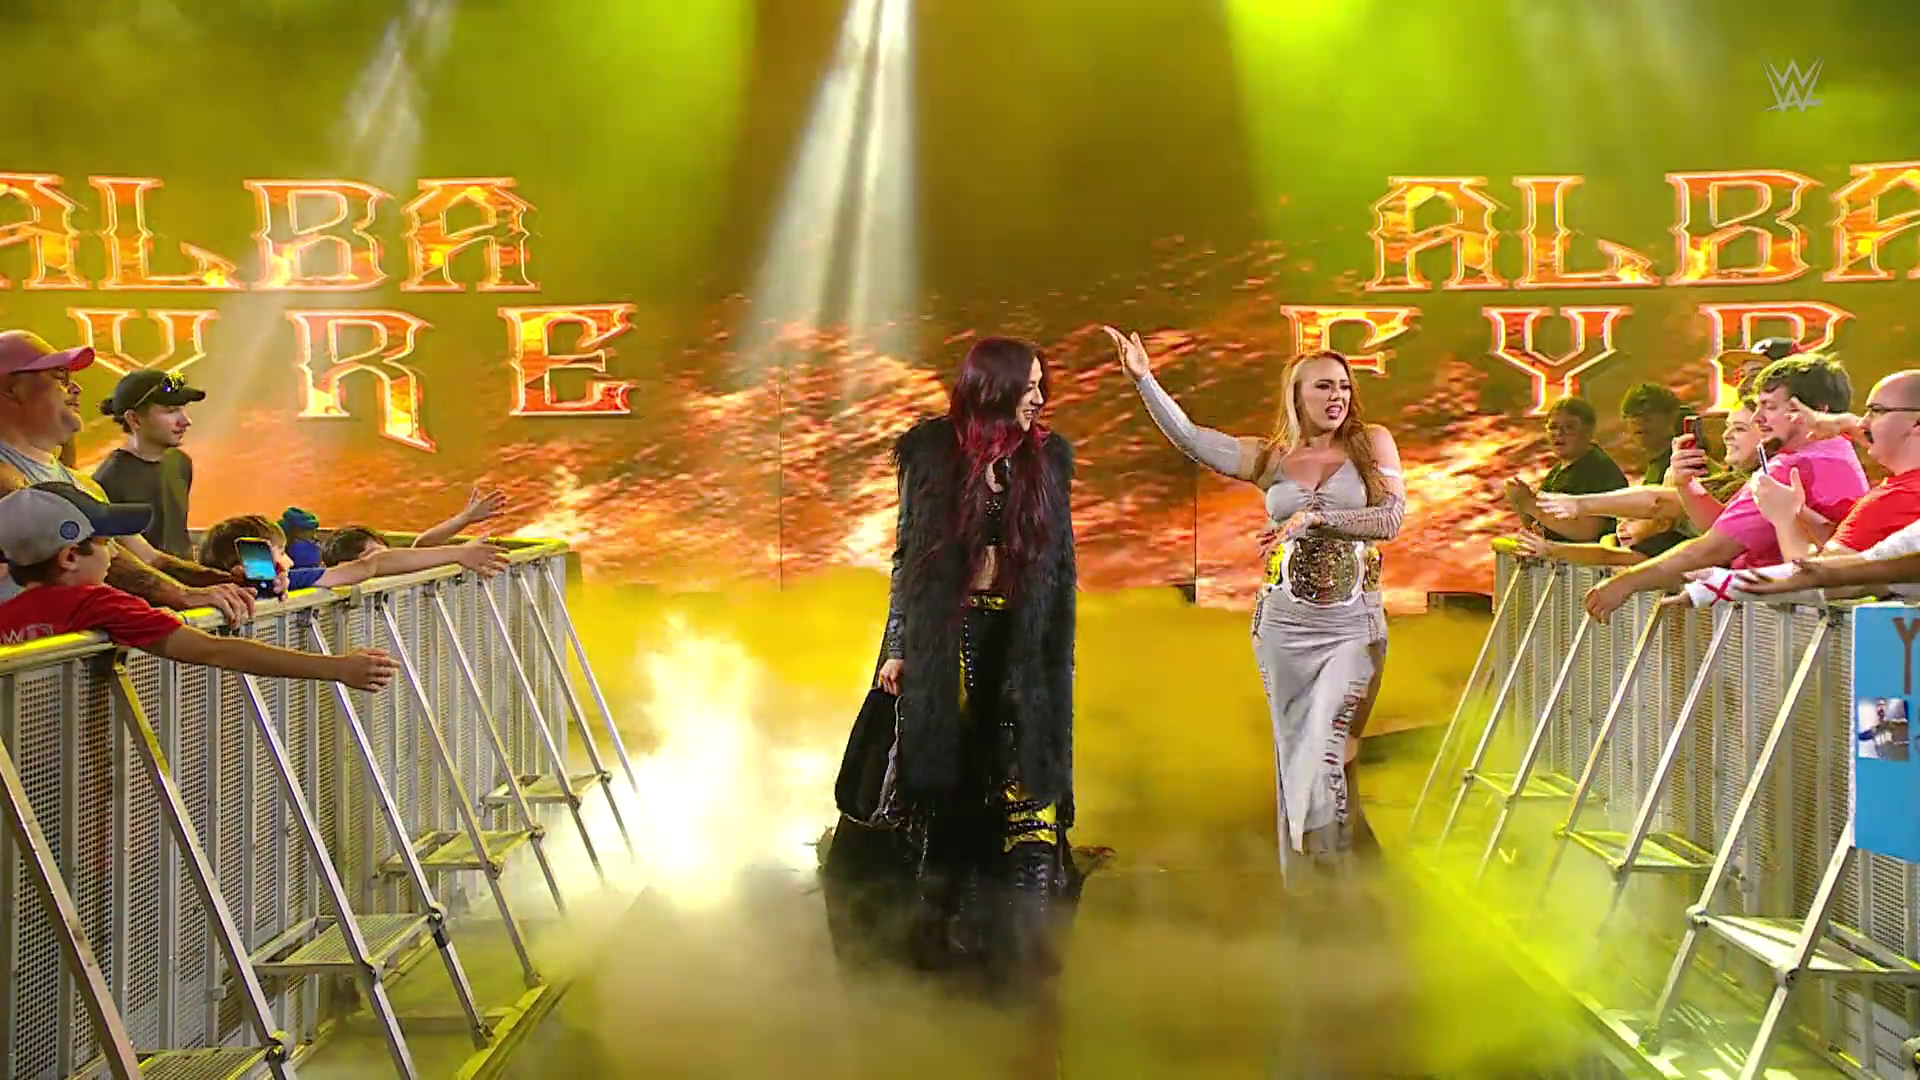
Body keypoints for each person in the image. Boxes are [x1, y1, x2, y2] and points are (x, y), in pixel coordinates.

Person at [819, 336, 1082, 1016]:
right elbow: (909, 557)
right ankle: (942, 936)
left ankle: (1020, 954)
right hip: (950, 637)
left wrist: (1056, 657)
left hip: (1019, 642)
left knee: (1024, 784)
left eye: (1042, 385)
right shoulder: (932, 455)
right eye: (1028, 385)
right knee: (946, 787)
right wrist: (897, 647)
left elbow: (1061, 570)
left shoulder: (1047, 459)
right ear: (992, 387)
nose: (1039, 397)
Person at [1108, 328, 1405, 884]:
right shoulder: (1271, 458)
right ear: (1297, 395)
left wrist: (1316, 519)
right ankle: (1319, 885)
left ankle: (1344, 876)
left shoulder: (1372, 443)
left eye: (1344, 386)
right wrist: (1145, 380)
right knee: (1301, 754)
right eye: (1323, 386)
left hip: (1353, 624)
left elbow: (1390, 519)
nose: (1337, 396)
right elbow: (1191, 438)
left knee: (1333, 748)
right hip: (1285, 624)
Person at [0, 482, 396, 691]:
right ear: (70, 556)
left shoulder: (8, 615)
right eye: (107, 543)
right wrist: (336, 668)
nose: (114, 554)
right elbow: (215, 650)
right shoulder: (98, 603)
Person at [1584, 353, 1865, 622]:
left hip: (1792, 626)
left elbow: (1713, 547)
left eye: (1770, 407)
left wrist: (1626, 582)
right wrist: (1688, 486)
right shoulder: (1835, 451)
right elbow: (1726, 530)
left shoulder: (1792, 466)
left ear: (1818, 411)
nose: (1757, 419)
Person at [0, 330, 252, 624]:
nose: (76, 388)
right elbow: (102, 559)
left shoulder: (85, 484)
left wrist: (235, 585)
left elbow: (148, 558)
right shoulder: (9, 480)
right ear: (10, 389)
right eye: (60, 377)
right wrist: (184, 595)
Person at [1678, 373, 1920, 607]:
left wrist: (1786, 521)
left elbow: (1826, 583)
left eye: (1876, 411)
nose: (1863, 422)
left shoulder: (1897, 498)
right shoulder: (1895, 492)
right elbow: (1856, 563)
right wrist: (1800, 513)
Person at [197, 514, 510, 596]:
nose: (288, 561)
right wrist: (458, 553)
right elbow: (372, 566)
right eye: (280, 552)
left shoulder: (290, 582)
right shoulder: (291, 581)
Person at [92, 369, 206, 560]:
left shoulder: (180, 462)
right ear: (134, 419)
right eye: (170, 411)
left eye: (183, 409)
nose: (186, 421)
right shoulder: (107, 482)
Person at [1504, 397, 1629, 543]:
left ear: (1588, 432)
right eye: (1553, 427)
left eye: (1569, 427)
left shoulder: (1599, 470)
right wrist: (1520, 502)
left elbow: (1587, 532)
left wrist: (1530, 505)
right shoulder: (1557, 471)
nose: (1559, 433)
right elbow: (1537, 526)